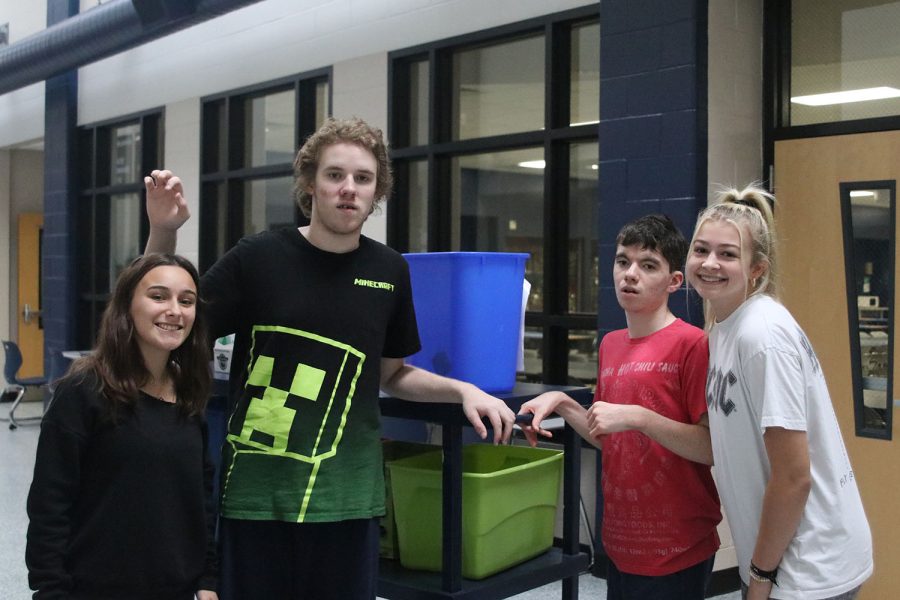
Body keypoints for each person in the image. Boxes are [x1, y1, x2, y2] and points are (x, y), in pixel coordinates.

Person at [143, 116, 516, 599]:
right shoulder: (258, 257)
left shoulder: (389, 270)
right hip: (258, 496)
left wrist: (463, 389)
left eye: (363, 179)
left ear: (376, 191)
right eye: (334, 175)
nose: (348, 189)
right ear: (309, 184)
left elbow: (393, 374)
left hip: (347, 498)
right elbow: (164, 322)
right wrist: (163, 233)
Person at [517, 214, 722, 600]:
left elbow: (711, 447)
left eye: (648, 266)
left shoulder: (692, 345)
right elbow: (609, 438)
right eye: (622, 261)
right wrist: (562, 402)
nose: (630, 274)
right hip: (623, 542)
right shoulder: (610, 343)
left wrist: (639, 417)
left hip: (678, 544)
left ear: (674, 281)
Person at [685, 185, 873, 600]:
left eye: (728, 254)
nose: (710, 263)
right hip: (781, 558)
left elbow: (793, 477)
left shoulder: (761, 334)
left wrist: (759, 577)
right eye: (701, 249)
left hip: (808, 567)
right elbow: (723, 444)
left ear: (757, 268)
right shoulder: (724, 327)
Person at [25, 254, 218, 600]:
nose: (174, 310)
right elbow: (49, 507)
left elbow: (199, 501)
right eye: (158, 296)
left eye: (186, 301)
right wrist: (51, 591)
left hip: (176, 590)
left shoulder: (190, 394)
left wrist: (207, 579)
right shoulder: (84, 391)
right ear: (127, 306)